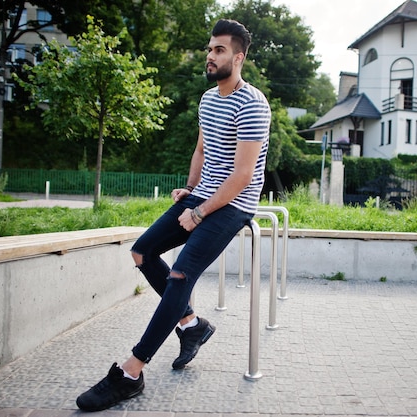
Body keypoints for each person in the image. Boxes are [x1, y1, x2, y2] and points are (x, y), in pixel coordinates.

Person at [76, 18, 271, 412]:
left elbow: (243, 174)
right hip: (203, 196)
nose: (210, 56)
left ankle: (131, 373)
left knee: (181, 273)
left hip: (234, 203)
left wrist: (199, 212)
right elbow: (202, 150)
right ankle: (191, 325)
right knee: (142, 253)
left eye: (219, 50)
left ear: (239, 57)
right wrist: (191, 189)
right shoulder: (207, 99)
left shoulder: (253, 104)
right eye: (209, 49)